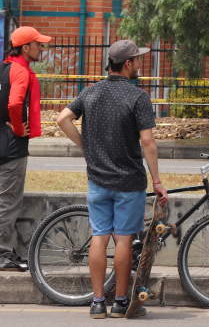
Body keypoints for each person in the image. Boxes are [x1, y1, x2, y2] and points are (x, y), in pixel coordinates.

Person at [56, 38, 167, 319]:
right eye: (138, 60)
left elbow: (62, 119)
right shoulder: (138, 97)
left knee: (99, 237)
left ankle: (96, 303)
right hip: (129, 182)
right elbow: (148, 143)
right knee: (124, 241)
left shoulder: (90, 92)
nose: (140, 65)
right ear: (127, 64)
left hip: (98, 180)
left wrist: (86, 147)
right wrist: (157, 181)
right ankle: (119, 302)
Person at [0, 25, 52, 272]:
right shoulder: (19, 71)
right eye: (38, 44)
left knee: (1, 198)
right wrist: (18, 129)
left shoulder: (2, 68)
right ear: (25, 47)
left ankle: (3, 251)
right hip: (12, 144)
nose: (42, 47)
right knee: (7, 201)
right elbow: (16, 102)